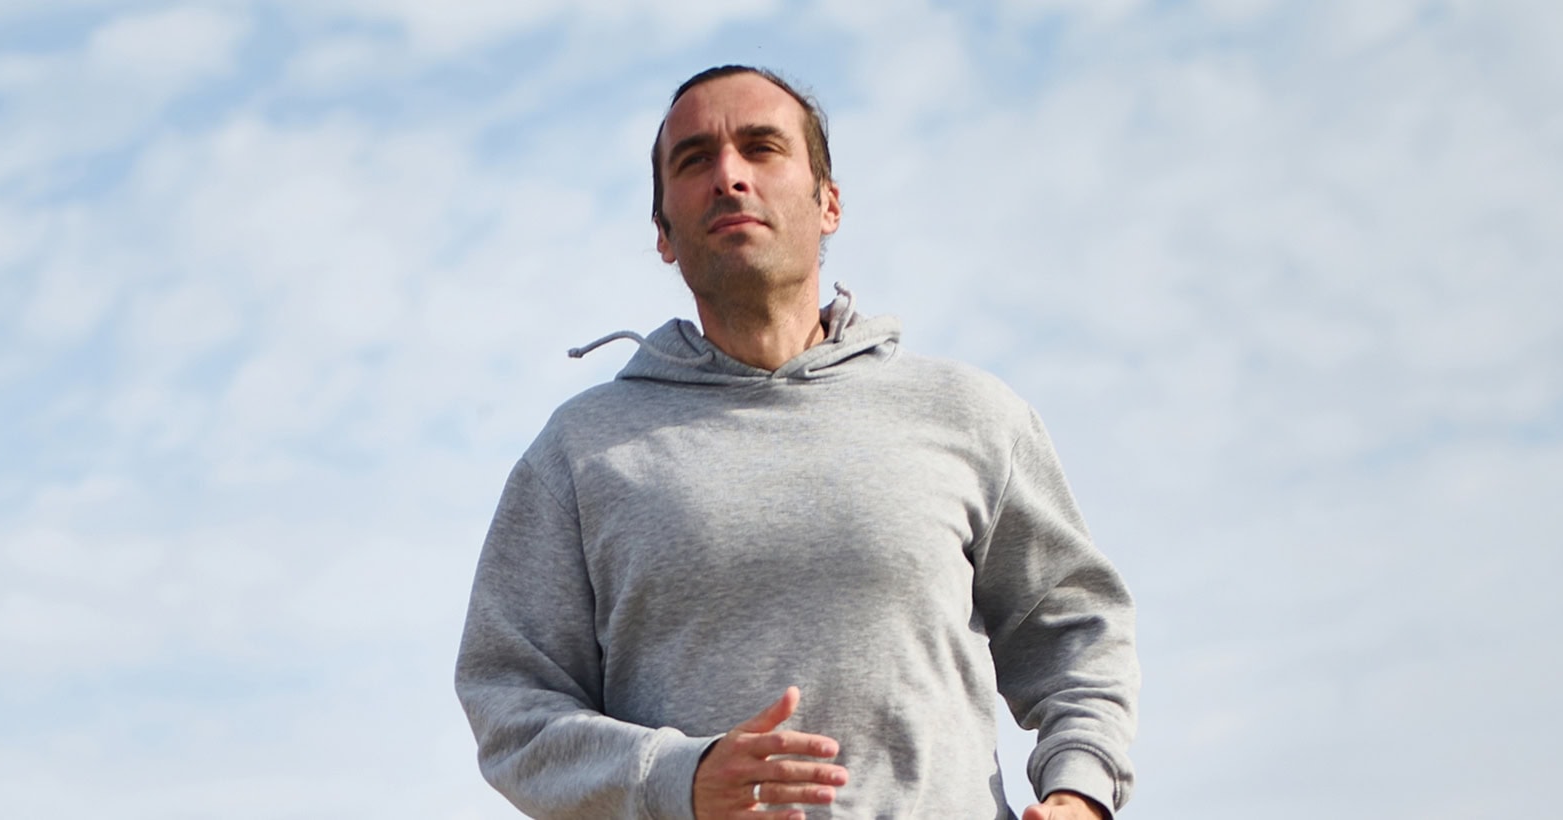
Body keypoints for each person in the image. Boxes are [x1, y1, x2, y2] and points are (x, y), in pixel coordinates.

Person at [452, 65, 1139, 820]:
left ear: (829, 203)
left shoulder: (969, 415)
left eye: (761, 147)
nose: (728, 177)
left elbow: (1079, 630)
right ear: (662, 236)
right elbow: (511, 704)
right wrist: (673, 777)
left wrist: (1081, 793)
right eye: (694, 160)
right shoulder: (579, 454)